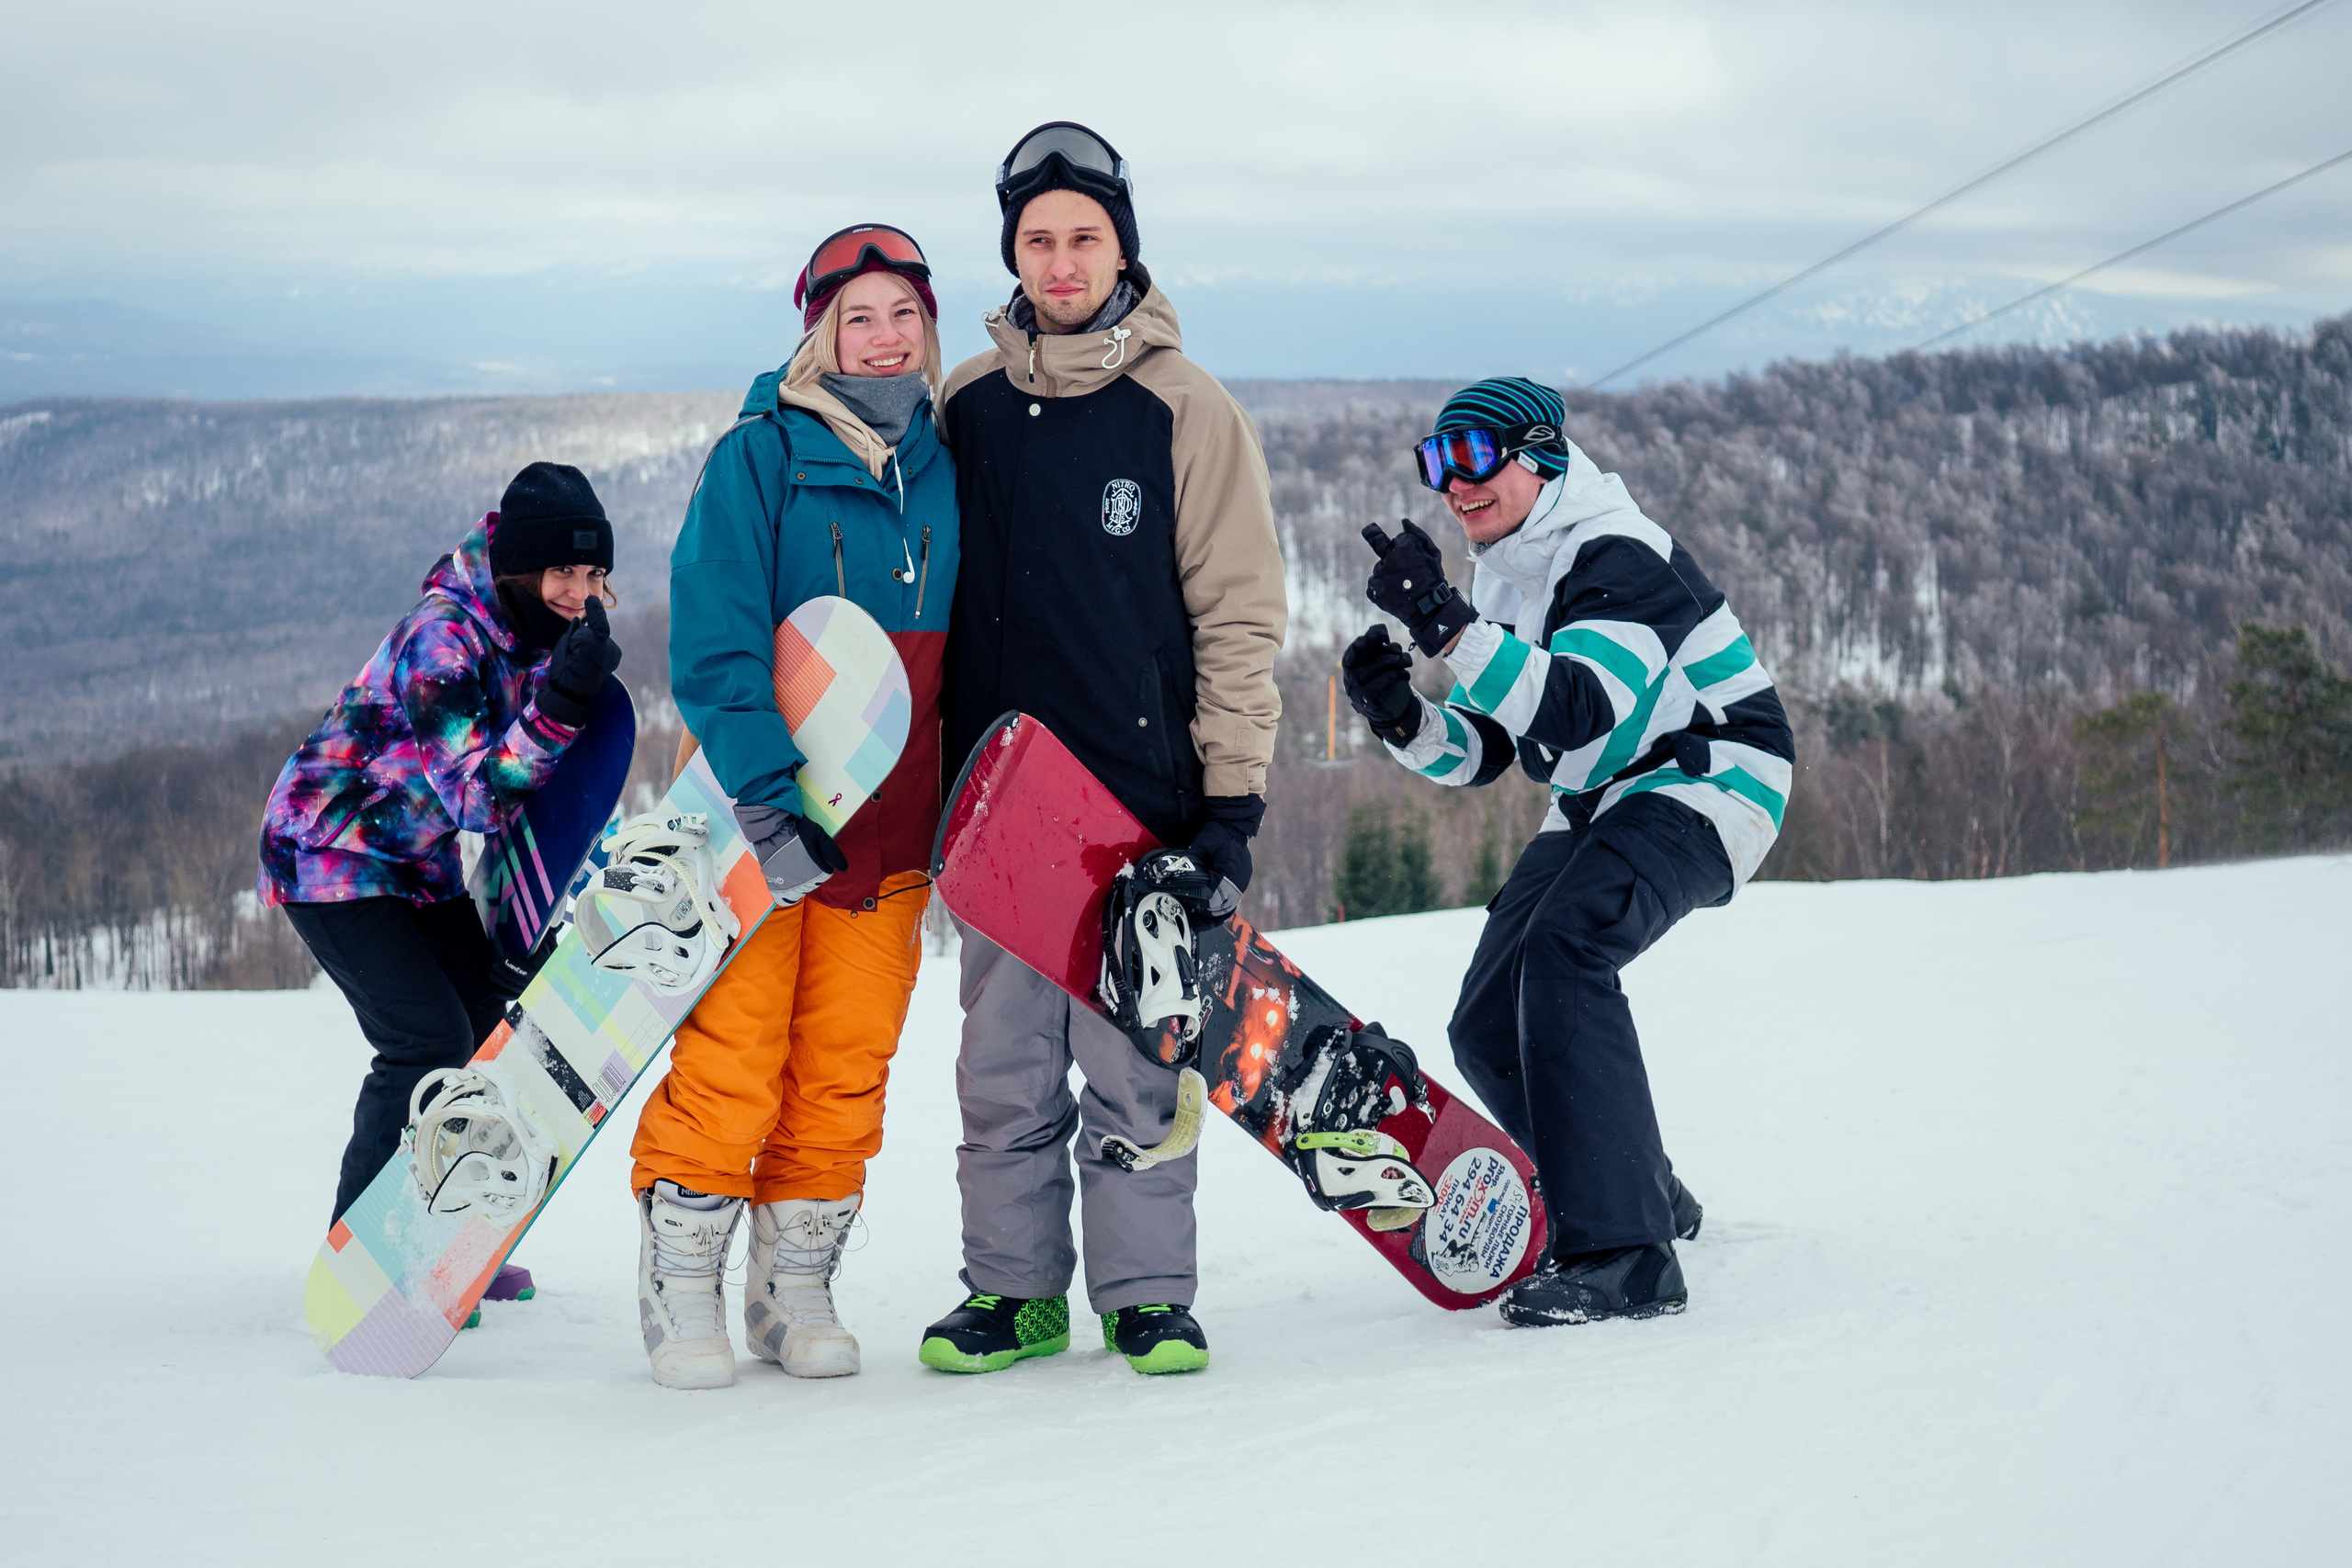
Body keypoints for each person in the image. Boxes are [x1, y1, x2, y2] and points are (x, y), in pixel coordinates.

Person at [920, 122, 1286, 1377]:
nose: (1063, 259)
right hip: (998, 811)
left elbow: (1240, 612)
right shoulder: (962, 402)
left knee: (1135, 1065)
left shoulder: (1186, 406)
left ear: (1124, 245)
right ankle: (1012, 1294)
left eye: (1085, 235)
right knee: (1003, 1069)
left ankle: (1146, 1295)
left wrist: (1230, 801)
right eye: (1039, 238)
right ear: (1013, 253)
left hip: (1140, 808)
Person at [1340, 376, 1793, 1326]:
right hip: (1599, 794)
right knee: (1484, 1023)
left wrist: (1445, 627)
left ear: (1539, 456)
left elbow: (1581, 703)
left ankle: (1629, 1255)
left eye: (1472, 460)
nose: (1454, 486)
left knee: (1566, 951)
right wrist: (1399, 714)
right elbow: (1485, 751)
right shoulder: (1508, 573)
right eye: (1436, 463)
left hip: (1710, 776)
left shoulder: (1614, 552)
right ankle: (1634, 1186)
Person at [626, 223, 958, 1391]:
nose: (882, 335)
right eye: (857, 315)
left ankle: (795, 1280)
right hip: (756, 828)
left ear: (928, 330)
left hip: (894, 833)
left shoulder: (946, 464)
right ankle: (681, 1279)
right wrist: (768, 801)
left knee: (846, 1058)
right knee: (736, 1049)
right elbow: (714, 640)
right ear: (819, 332)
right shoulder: (757, 458)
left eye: (903, 314)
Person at [263, 460, 624, 1282]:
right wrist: (562, 704)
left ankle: (442, 1230)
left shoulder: (538, 634)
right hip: (330, 854)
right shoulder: (445, 637)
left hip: (415, 863)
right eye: (563, 571)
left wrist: (530, 904)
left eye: (595, 572)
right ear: (518, 569)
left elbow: (539, 797)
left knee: (488, 1029)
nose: (581, 590)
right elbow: (473, 797)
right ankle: (362, 1258)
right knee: (425, 1038)